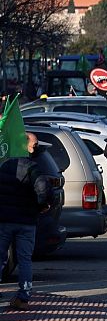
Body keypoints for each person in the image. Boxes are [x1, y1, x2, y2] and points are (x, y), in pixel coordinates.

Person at [0, 133, 50, 310]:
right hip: (26, 221)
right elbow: (43, 187)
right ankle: (24, 297)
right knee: (25, 259)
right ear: (24, 146)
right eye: (33, 145)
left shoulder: (4, 165)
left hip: (4, 220)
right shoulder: (32, 167)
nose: (35, 148)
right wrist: (41, 205)